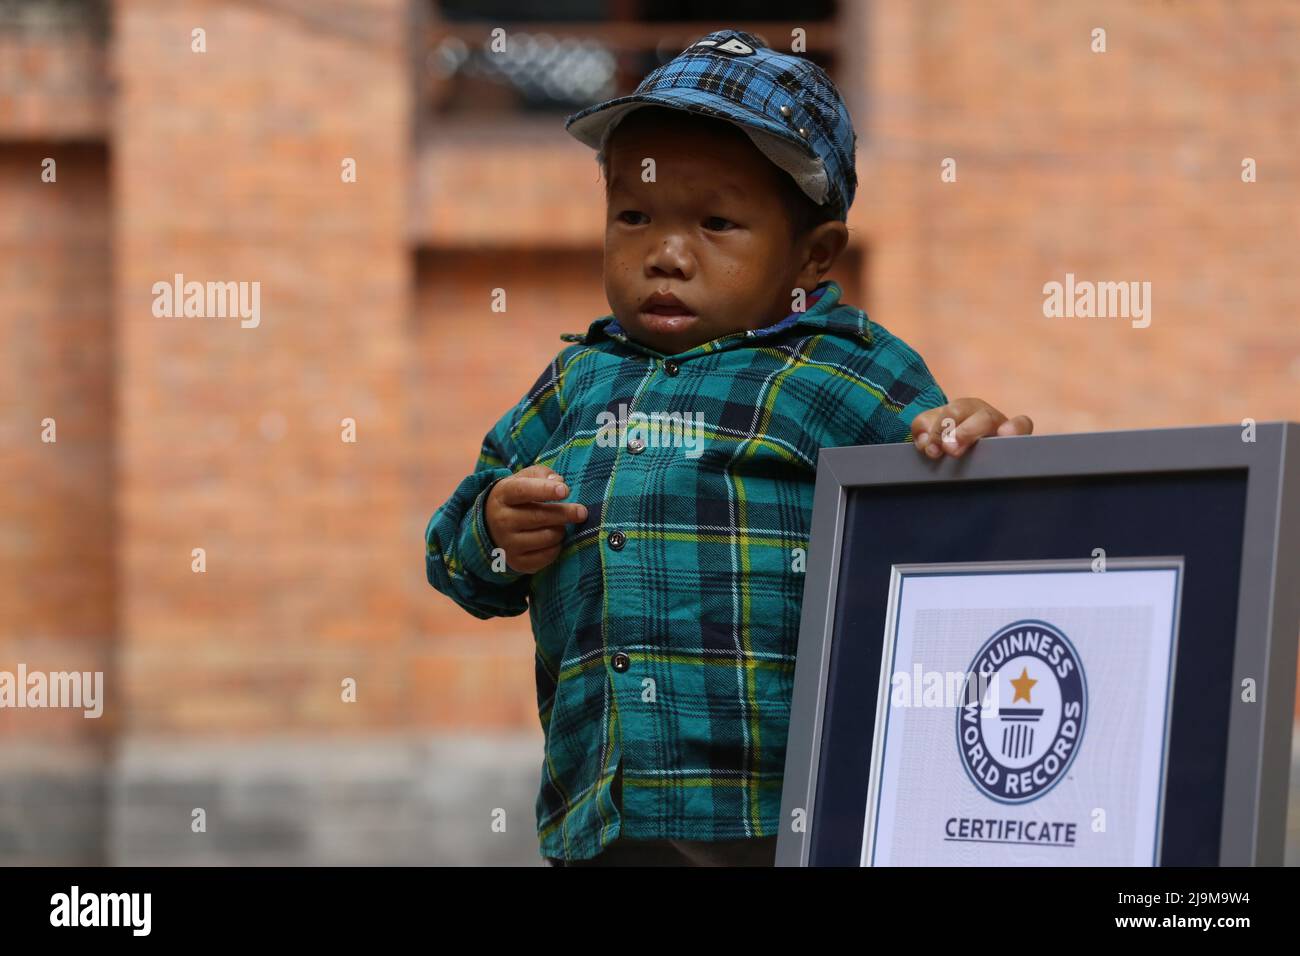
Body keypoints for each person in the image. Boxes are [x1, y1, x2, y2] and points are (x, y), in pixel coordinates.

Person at [425, 29, 1033, 867]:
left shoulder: (839, 372)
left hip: (786, 817)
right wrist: (494, 534)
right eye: (633, 217)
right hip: (608, 815)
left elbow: (952, 524)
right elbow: (456, 564)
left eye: (717, 222)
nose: (667, 254)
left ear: (811, 257)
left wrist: (970, 441)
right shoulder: (575, 385)